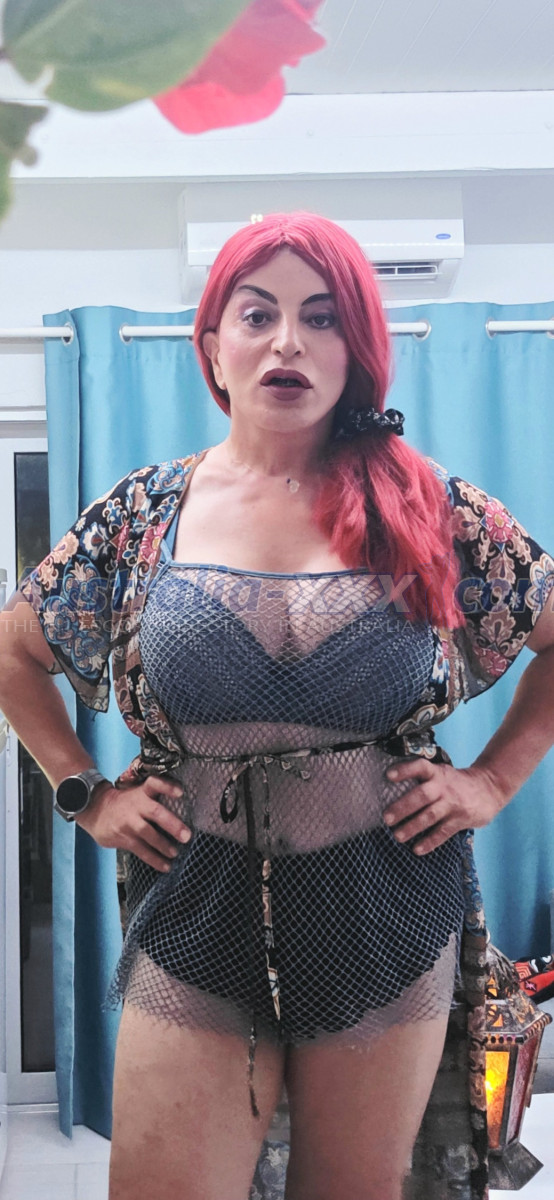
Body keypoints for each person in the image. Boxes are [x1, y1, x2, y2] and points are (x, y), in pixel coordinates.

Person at [0, 211, 553, 1200]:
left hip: (387, 913)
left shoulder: (432, 510)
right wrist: (85, 794)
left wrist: (493, 780)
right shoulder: (143, 515)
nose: (287, 341)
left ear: (357, 349)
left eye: (322, 317)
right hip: (194, 917)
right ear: (214, 344)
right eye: (257, 314)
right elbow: (12, 652)